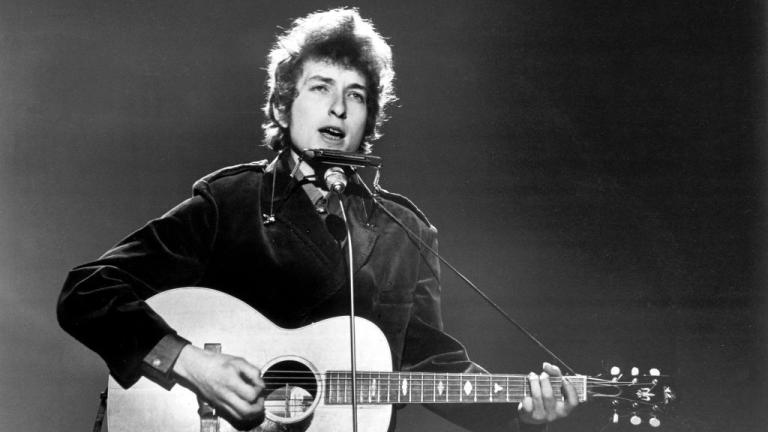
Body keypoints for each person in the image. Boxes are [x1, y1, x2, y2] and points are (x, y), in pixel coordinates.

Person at [57, 8, 577, 431]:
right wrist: (193, 363)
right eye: (320, 88)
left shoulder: (406, 233)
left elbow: (433, 369)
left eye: (356, 96)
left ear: (369, 120)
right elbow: (87, 292)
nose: (339, 110)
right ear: (283, 107)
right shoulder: (232, 201)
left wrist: (519, 408)